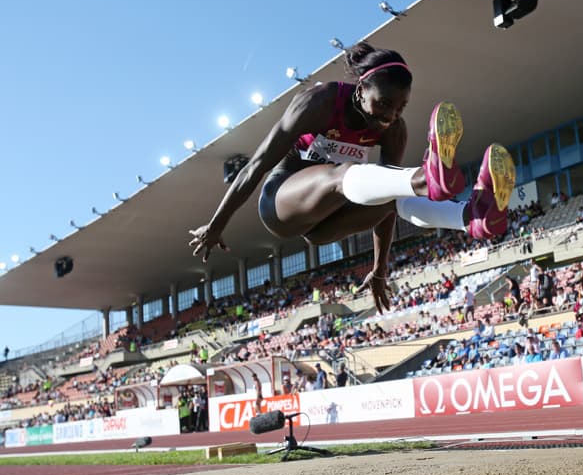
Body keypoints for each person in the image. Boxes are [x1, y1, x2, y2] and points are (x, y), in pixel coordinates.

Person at [189, 43, 515, 312]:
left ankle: (470, 215)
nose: (390, 116)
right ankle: (423, 178)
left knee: (391, 194)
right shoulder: (319, 102)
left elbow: (386, 201)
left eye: (401, 107)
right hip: (282, 204)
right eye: (384, 103)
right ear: (361, 90)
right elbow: (257, 164)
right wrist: (217, 224)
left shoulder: (392, 130)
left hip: (326, 225)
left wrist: (380, 268)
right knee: (346, 175)